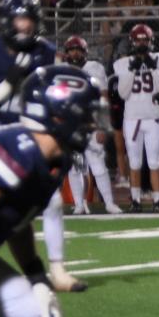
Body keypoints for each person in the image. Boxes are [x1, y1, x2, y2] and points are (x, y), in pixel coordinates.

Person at [0, 67, 101, 317]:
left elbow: (16, 221)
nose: (90, 122)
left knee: (28, 315)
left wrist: (37, 277)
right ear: (58, 113)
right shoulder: (15, 150)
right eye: (84, 113)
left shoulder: (55, 158)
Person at [112, 23, 159, 211]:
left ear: (151, 41)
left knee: (155, 162)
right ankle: (135, 201)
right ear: (132, 42)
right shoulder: (123, 64)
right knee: (135, 162)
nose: (142, 44)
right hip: (132, 119)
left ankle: (158, 201)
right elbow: (123, 94)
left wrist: (153, 68)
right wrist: (132, 70)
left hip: (153, 118)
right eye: (139, 40)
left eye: (145, 40)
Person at [62, 36, 122, 215]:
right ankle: (80, 204)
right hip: (71, 124)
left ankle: (109, 203)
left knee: (97, 165)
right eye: (71, 50)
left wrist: (102, 126)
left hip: (90, 123)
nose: (74, 53)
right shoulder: (62, 70)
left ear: (85, 51)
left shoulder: (95, 68)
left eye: (78, 50)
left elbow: (103, 97)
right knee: (75, 167)